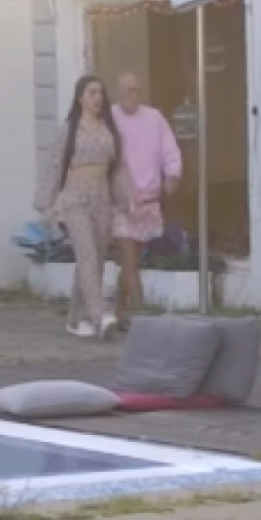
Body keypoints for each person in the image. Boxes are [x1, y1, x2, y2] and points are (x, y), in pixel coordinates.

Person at [34, 74, 132, 339]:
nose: (97, 98)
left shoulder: (108, 129)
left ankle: (76, 317)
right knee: (87, 254)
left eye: (100, 93)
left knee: (95, 258)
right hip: (75, 197)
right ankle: (100, 316)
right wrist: (45, 202)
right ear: (80, 98)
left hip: (101, 197)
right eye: (92, 93)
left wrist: (126, 200)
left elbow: (117, 169)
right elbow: (55, 166)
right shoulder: (70, 130)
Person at [112, 72, 183, 331]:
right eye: (128, 90)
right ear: (119, 92)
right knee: (129, 256)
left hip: (148, 201)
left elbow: (170, 151)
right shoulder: (111, 118)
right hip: (121, 202)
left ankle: (117, 312)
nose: (132, 95)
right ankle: (141, 315)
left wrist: (172, 175)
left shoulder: (154, 118)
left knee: (131, 262)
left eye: (136, 90)